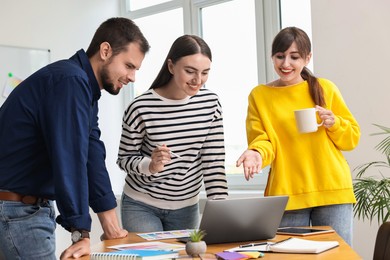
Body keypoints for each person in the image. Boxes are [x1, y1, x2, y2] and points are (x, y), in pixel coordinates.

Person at [0, 17, 150, 259]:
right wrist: (81, 233)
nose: (132, 77)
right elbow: (70, 159)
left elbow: (92, 156)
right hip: (17, 211)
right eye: (129, 66)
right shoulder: (70, 82)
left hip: (26, 209)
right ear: (105, 51)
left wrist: (111, 227)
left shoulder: (84, 88)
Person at [236, 27, 360, 246]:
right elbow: (262, 139)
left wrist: (334, 123)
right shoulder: (260, 95)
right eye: (280, 56)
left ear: (307, 58)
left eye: (294, 57)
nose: (286, 64)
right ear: (272, 57)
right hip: (287, 193)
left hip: (332, 189)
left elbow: (351, 139)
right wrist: (255, 153)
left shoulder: (325, 88)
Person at [116, 35, 228, 232]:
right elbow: (124, 159)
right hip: (141, 205)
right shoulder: (141, 107)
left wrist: (223, 212)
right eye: (190, 71)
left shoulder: (210, 103)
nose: (198, 80)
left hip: (186, 207)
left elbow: (213, 162)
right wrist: (150, 165)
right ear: (171, 66)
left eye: (205, 73)